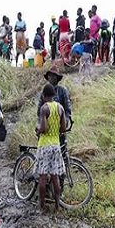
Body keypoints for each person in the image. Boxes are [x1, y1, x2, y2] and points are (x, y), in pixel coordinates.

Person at [35, 83, 67, 212]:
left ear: (44, 95)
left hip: (44, 145)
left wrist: (37, 129)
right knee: (55, 177)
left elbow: (43, 128)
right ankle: (57, 206)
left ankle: (42, 206)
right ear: (53, 95)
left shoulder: (44, 108)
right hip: (56, 144)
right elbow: (63, 128)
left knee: (43, 177)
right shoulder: (60, 108)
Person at [37, 65, 71, 151]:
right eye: (49, 75)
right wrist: (39, 125)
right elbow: (39, 112)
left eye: (53, 75)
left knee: (62, 150)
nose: (50, 77)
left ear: (56, 78)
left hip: (59, 127)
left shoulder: (63, 91)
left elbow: (67, 110)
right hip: (46, 128)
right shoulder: (44, 92)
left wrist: (64, 123)